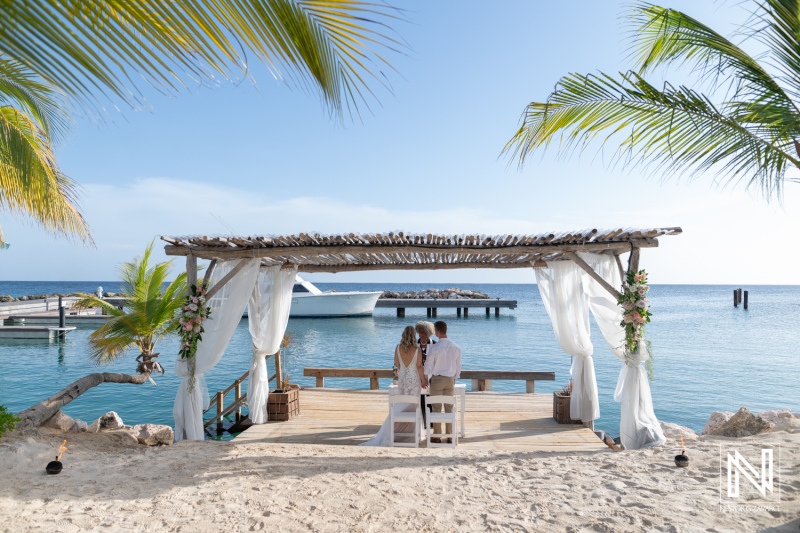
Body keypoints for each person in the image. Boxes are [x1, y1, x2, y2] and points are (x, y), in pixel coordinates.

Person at [360, 326, 428, 446]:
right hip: (414, 380)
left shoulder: (397, 348)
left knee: (402, 403)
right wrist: (423, 380)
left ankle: (399, 433)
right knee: (413, 406)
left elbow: (397, 365)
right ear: (413, 336)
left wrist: (404, 370)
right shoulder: (417, 350)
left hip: (403, 380)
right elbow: (419, 367)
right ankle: (412, 434)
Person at [424, 321, 462, 443]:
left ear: (437, 331)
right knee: (449, 407)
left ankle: (437, 436)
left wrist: (425, 378)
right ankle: (450, 436)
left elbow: (428, 366)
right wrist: (455, 377)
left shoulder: (435, 348)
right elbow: (458, 367)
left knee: (436, 407)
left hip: (437, 380)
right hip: (450, 380)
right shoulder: (456, 347)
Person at [415, 321, 436, 424]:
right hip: (417, 376)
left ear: (429, 332)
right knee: (420, 399)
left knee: (430, 399)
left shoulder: (435, 345)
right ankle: (421, 421)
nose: (421, 334)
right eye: (419, 331)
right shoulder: (414, 345)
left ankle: (430, 422)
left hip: (432, 376)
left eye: (423, 331)